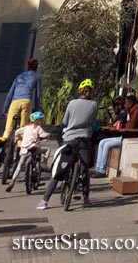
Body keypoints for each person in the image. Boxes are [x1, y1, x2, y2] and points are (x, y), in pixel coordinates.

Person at [37, 80, 97, 211]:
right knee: (84, 171)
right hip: (85, 139)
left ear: (80, 91)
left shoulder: (71, 103)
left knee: (59, 170)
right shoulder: (94, 104)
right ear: (90, 91)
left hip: (69, 138)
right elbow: (92, 122)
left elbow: (64, 122)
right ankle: (86, 200)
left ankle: (44, 201)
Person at [94, 91, 138, 176]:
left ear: (130, 103)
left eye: (126, 103)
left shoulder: (136, 111)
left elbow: (131, 126)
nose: (125, 105)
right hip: (124, 135)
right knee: (102, 142)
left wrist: (122, 126)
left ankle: (102, 170)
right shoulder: (130, 111)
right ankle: (98, 168)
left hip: (130, 137)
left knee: (107, 145)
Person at [7, 112, 48, 190]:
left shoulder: (26, 128)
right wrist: (49, 135)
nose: (41, 122)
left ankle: (13, 181)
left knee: (19, 166)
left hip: (24, 150)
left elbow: (16, 132)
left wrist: (19, 138)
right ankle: (44, 163)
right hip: (34, 148)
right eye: (41, 120)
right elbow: (43, 135)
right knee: (47, 150)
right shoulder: (38, 128)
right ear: (37, 121)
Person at [2, 58, 41, 140]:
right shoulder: (36, 77)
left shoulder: (19, 77)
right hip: (26, 102)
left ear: (27, 67)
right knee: (23, 130)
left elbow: (10, 94)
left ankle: (2, 145)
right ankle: (20, 149)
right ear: (36, 68)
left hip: (15, 102)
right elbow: (37, 96)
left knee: (8, 129)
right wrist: (36, 110)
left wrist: (4, 111)